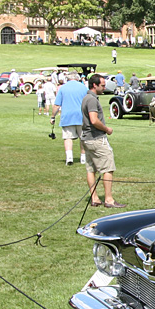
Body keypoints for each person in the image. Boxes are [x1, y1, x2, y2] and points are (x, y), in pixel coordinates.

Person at [80, 74, 124, 208]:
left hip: (86, 139)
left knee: (90, 169)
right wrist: (106, 129)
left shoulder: (86, 98)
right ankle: (109, 200)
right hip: (96, 139)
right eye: (102, 85)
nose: (104, 88)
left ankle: (95, 198)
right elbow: (94, 120)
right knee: (108, 168)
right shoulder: (92, 100)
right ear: (95, 85)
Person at [52, 72, 87, 165]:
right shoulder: (83, 87)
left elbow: (56, 105)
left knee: (68, 138)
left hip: (67, 116)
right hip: (81, 116)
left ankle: (69, 158)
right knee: (83, 137)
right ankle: (83, 158)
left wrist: (53, 116)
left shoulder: (63, 88)